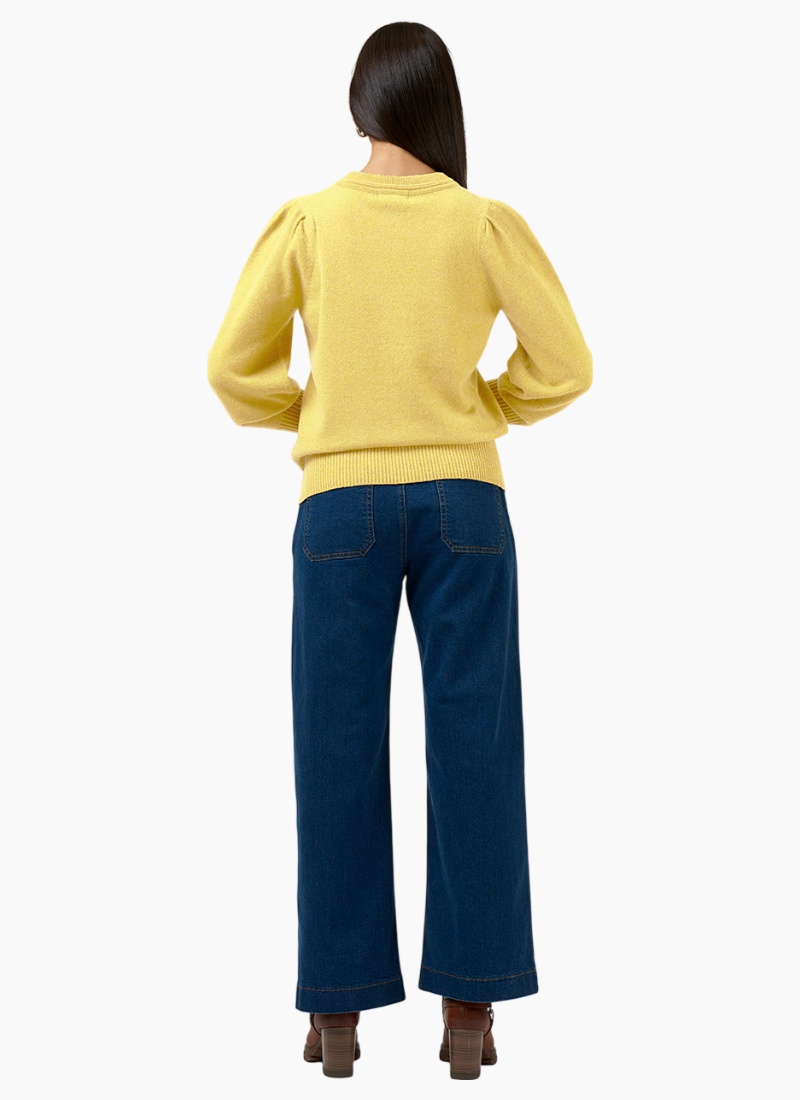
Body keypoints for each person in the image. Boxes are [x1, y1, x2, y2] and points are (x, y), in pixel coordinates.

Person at [207, 20, 592, 1081]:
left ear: (360, 106)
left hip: (338, 508)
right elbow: (565, 365)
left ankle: (337, 1015)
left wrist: (315, 417)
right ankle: (468, 1007)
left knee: (333, 748)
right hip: (466, 501)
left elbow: (231, 368)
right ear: (440, 107)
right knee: (477, 747)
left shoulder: (309, 222)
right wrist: (485, 409)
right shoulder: (481, 221)